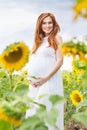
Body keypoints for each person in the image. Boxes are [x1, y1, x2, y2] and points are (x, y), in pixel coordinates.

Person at [26, 12, 64, 130]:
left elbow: (60, 61)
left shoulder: (57, 37)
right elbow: (33, 60)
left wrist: (45, 78)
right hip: (35, 83)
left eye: (50, 23)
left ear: (54, 24)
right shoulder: (38, 40)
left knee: (46, 109)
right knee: (33, 111)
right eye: (44, 23)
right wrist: (29, 77)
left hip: (50, 80)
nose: (47, 25)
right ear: (40, 25)